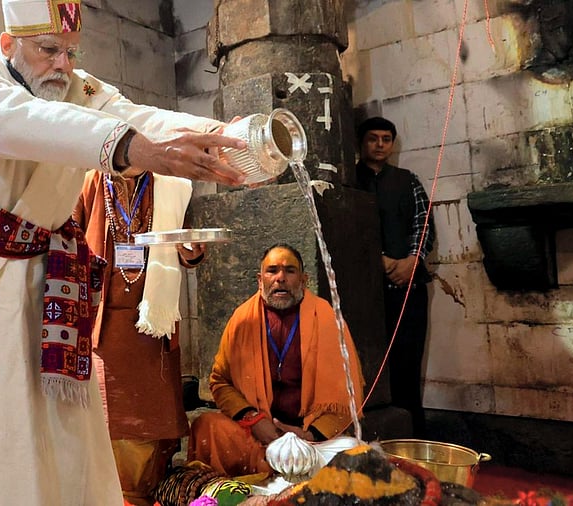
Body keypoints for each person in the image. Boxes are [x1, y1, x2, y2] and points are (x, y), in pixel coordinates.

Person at [0, 0, 248, 503]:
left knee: (46, 430)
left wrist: (223, 137)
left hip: (36, 283)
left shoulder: (79, 90)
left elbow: (141, 118)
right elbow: (23, 123)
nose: (63, 65)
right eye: (48, 50)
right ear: (8, 44)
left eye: (70, 52)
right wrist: (134, 149)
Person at [72, 168, 204, 505]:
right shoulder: (90, 182)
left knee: (151, 419)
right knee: (109, 419)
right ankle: (111, 496)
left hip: (152, 323)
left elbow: (187, 247)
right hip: (103, 324)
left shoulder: (169, 186)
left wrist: (192, 251)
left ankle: (141, 496)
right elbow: (68, 234)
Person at [187, 243, 365, 477]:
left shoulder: (326, 319)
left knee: (353, 450)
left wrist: (309, 434)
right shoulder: (242, 319)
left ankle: (285, 473)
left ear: (304, 280)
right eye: (272, 271)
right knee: (207, 427)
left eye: (290, 271)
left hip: (310, 438)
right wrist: (254, 420)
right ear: (260, 280)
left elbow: (347, 392)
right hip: (257, 434)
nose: (280, 278)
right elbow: (220, 381)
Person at [354, 116, 435, 438]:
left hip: (408, 287)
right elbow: (347, 229)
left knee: (407, 365)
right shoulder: (349, 182)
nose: (380, 145)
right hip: (366, 294)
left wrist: (412, 261)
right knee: (367, 366)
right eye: (373, 138)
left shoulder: (407, 180)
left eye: (386, 139)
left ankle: (413, 439)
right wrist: (379, 261)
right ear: (361, 143)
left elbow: (424, 223)